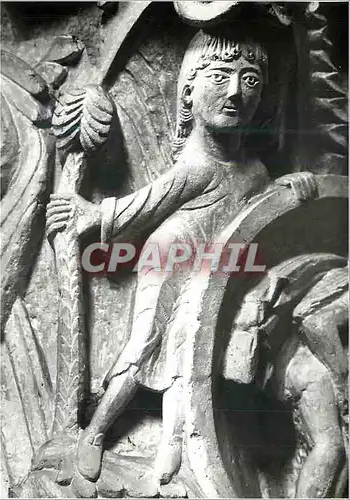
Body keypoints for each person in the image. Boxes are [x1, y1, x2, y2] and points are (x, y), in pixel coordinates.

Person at [46, 28, 314, 487]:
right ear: (188, 89)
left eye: (250, 80)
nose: (235, 92)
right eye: (220, 76)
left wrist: (291, 188)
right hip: (172, 255)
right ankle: (95, 432)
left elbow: (261, 211)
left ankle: (177, 443)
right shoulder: (197, 163)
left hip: (216, 267)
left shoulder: (255, 169)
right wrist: (93, 215)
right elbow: (147, 204)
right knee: (145, 342)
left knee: (188, 349)